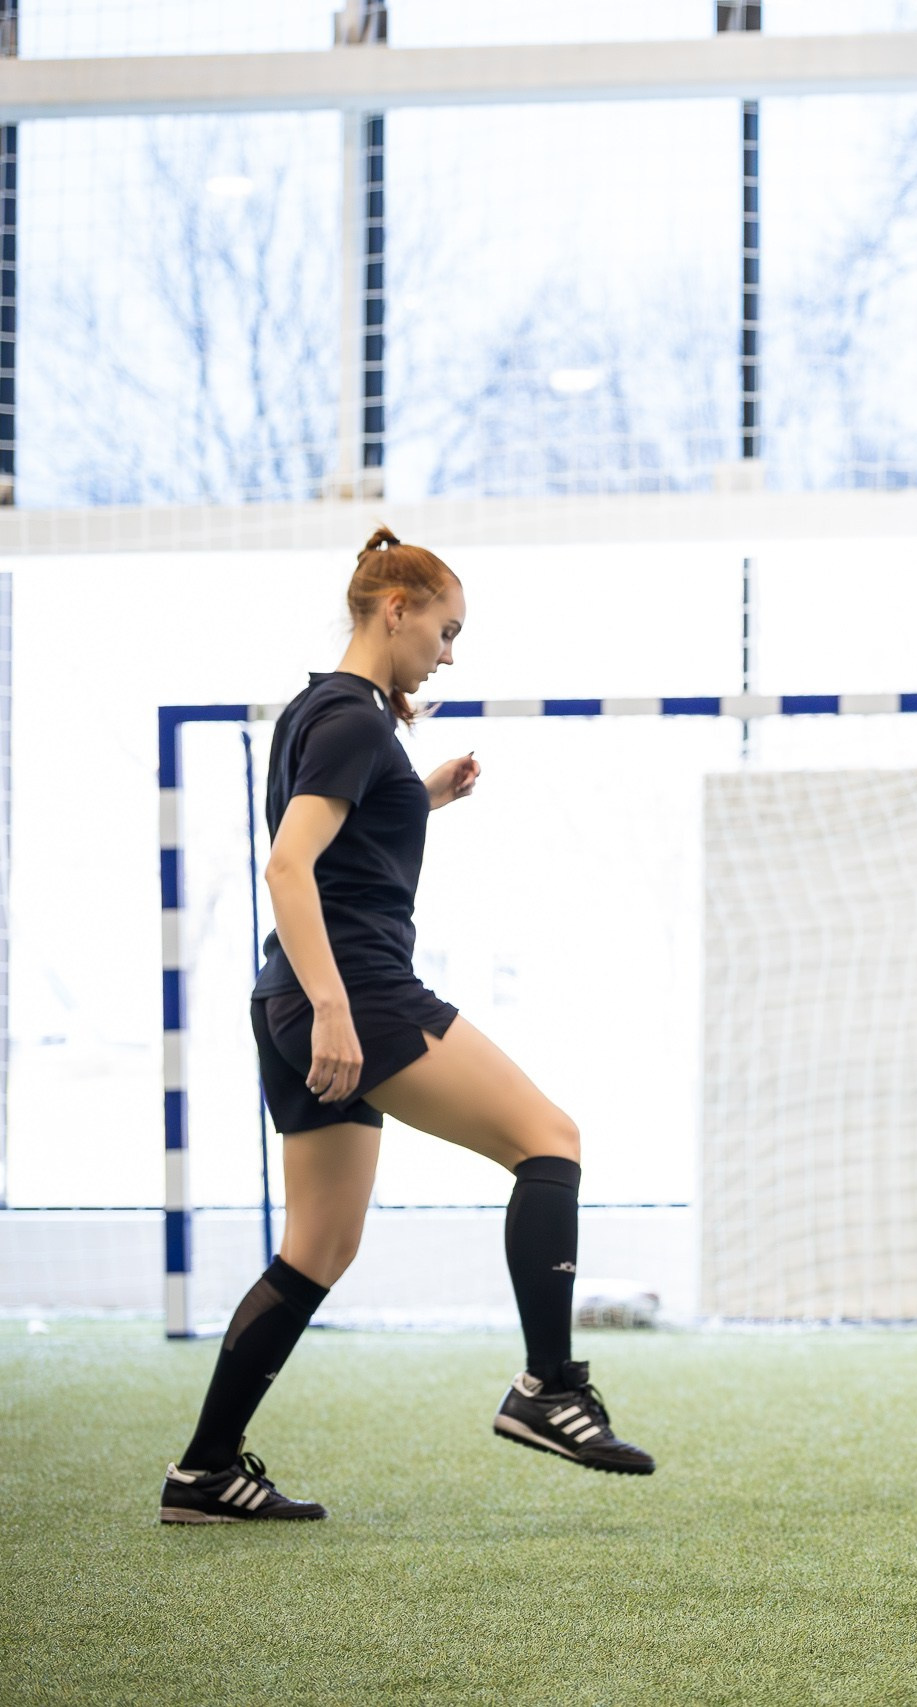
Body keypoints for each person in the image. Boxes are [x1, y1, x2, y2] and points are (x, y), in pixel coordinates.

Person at [158, 530, 652, 1527]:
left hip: (287, 995)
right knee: (550, 1140)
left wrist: (420, 796)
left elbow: (337, 840)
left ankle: (204, 1473)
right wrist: (337, 1010)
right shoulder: (352, 718)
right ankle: (548, 1387)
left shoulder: (320, 710)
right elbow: (288, 866)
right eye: (445, 629)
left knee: (318, 1246)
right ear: (396, 609)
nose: (449, 653)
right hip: (354, 993)